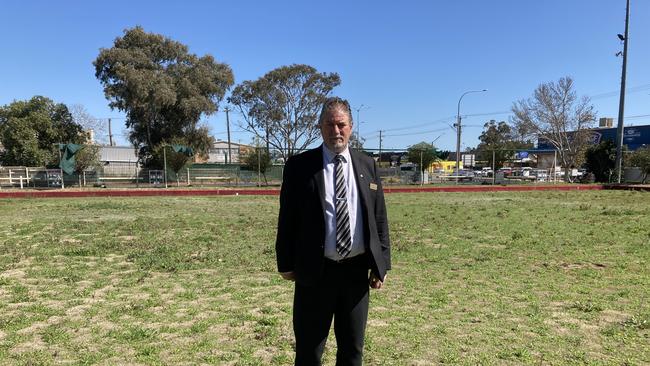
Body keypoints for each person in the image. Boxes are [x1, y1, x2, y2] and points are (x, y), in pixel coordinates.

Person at [276, 96, 391, 365]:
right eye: (329, 124)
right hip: (315, 272)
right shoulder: (300, 166)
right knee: (309, 351)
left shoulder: (367, 165)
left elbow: (379, 218)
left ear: (351, 127)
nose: (335, 131)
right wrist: (285, 263)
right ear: (319, 127)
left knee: (352, 351)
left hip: (355, 274)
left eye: (341, 124)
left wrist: (381, 264)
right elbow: (287, 218)